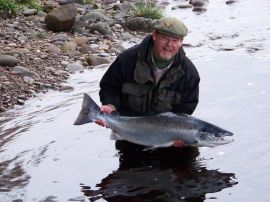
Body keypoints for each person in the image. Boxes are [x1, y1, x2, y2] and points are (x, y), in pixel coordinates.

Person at [96, 16, 200, 151]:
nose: (169, 45)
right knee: (128, 171)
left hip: (167, 139)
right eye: (165, 38)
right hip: (129, 133)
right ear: (155, 36)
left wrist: (180, 135)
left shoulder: (188, 73)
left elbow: (186, 108)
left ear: (181, 43)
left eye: (175, 40)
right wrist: (110, 105)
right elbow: (109, 86)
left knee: (183, 168)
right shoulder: (128, 59)